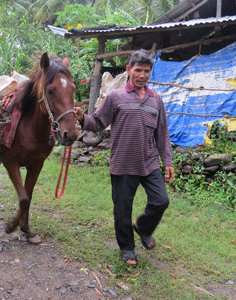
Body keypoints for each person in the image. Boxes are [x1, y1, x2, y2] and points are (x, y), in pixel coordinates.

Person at [74, 50, 175, 265]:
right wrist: (82, 117)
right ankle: (127, 248)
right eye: (138, 70)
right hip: (123, 163)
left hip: (149, 163)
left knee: (161, 201)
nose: (142, 75)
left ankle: (143, 227)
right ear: (129, 70)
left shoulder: (156, 100)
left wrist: (167, 161)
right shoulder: (115, 97)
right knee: (122, 211)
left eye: (147, 71)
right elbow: (98, 122)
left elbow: (162, 133)